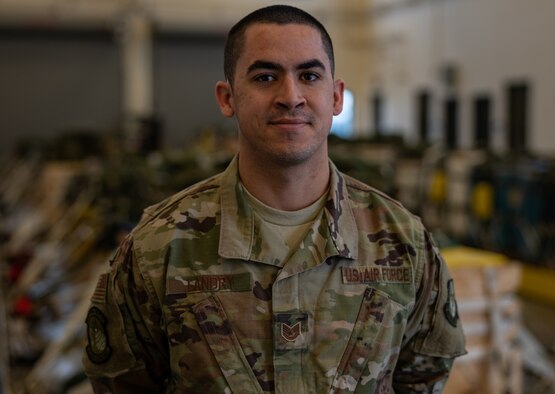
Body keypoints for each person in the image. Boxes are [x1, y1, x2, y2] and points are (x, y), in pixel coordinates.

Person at [82, 4, 466, 393]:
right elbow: (122, 384)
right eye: (266, 76)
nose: (291, 96)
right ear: (227, 98)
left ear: (335, 97)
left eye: (309, 75)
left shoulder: (403, 242)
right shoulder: (159, 247)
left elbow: (423, 377)